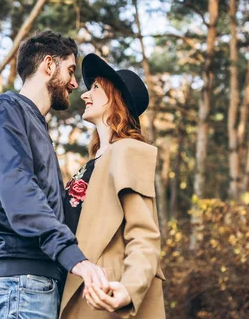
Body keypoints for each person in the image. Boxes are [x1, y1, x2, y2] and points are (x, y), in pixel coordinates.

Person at [0, 31, 110, 319]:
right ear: (49, 65)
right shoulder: (7, 109)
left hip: (38, 286)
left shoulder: (35, 126)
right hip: (22, 287)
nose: (75, 84)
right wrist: (77, 260)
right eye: (71, 70)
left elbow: (53, 209)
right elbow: (21, 196)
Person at [60, 53, 166, 318]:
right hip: (77, 288)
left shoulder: (128, 151)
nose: (85, 95)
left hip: (104, 296)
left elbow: (144, 235)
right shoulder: (92, 163)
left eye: (95, 88)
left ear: (115, 98)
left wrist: (129, 289)